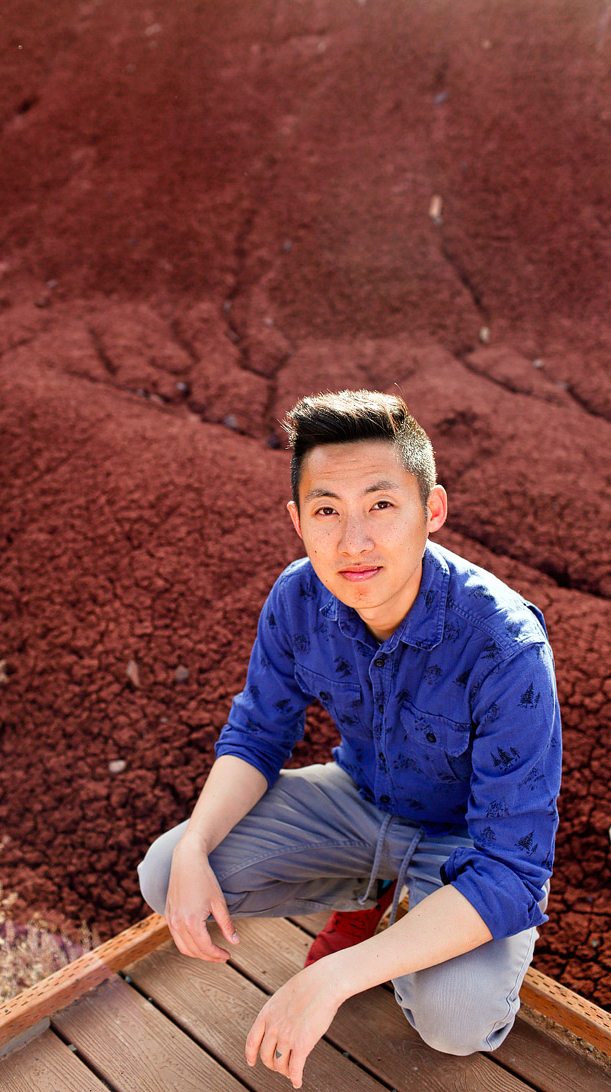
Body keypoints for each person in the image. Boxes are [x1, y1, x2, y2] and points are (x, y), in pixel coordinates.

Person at [138, 389, 561, 1090]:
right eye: (327, 510)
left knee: (455, 1022)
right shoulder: (297, 598)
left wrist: (335, 978)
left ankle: (401, 921)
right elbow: (256, 735)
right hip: (360, 796)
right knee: (168, 872)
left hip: (468, 844)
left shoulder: (504, 645)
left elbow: (513, 869)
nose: (353, 541)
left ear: (433, 511)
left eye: (382, 505)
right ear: (298, 520)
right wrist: (193, 847)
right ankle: (371, 898)